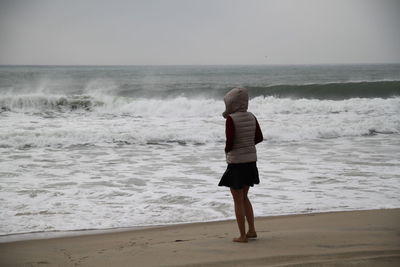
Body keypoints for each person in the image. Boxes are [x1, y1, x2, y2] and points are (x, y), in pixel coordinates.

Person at [218, 87, 263, 243]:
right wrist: (247, 146)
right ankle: (252, 230)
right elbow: (259, 137)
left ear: (232, 103)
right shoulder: (251, 116)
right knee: (245, 197)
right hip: (251, 161)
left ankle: (242, 236)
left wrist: (227, 150)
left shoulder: (231, 119)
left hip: (237, 163)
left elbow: (230, 141)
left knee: (237, 200)